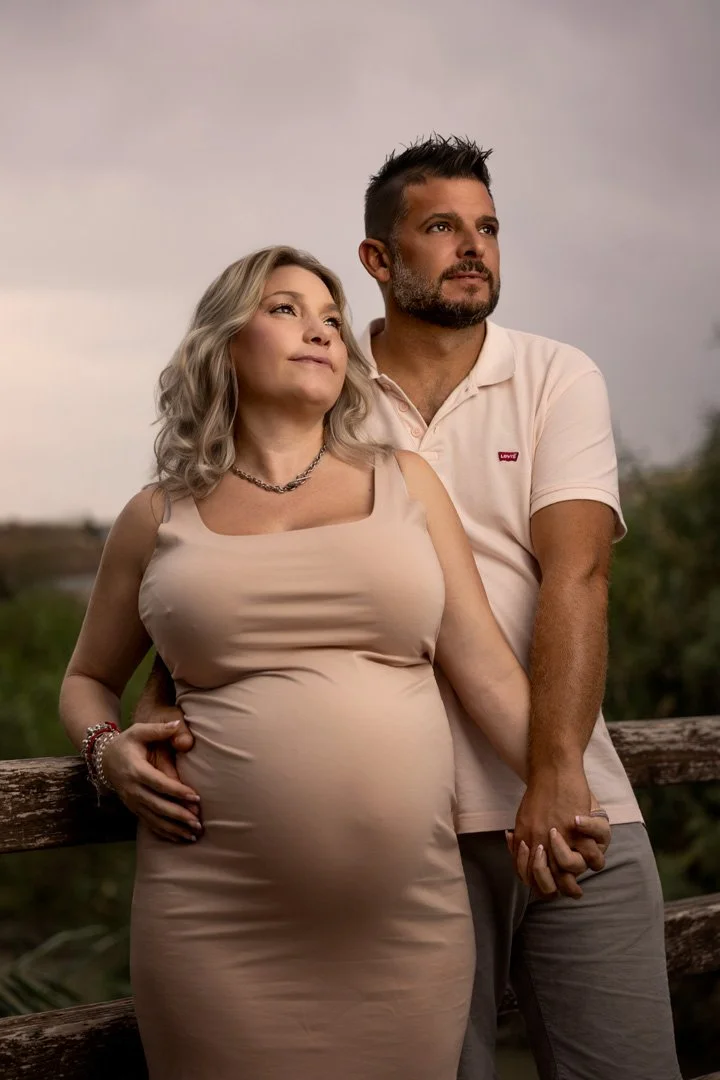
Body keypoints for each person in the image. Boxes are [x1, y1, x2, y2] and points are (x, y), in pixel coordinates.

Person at [137, 136, 681, 1080]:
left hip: (561, 790)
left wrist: (554, 773)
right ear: (378, 261)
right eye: (442, 228)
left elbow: (577, 578)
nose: (474, 248)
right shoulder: (323, 393)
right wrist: (159, 695)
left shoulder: (558, 375)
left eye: (489, 229)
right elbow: (227, 570)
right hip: (412, 834)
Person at [58, 245, 606, 1080]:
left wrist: (564, 780)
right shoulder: (155, 513)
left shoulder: (406, 483)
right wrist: (106, 751)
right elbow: (86, 678)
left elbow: (489, 674)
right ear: (224, 340)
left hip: (403, 926)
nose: (320, 331)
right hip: (213, 920)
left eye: (332, 319)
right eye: (286, 309)